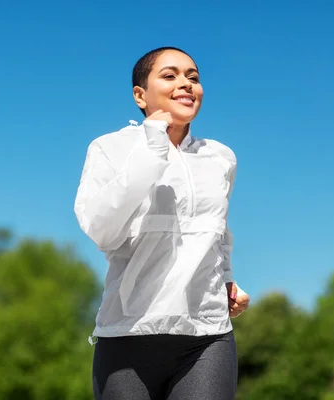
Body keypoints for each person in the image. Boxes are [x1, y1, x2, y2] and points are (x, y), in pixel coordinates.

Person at [74, 46, 250, 400]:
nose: (185, 84)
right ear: (141, 95)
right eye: (170, 76)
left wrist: (228, 280)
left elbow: (217, 233)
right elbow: (101, 228)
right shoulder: (110, 149)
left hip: (207, 334)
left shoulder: (220, 157)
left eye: (193, 77)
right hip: (128, 333)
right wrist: (153, 147)